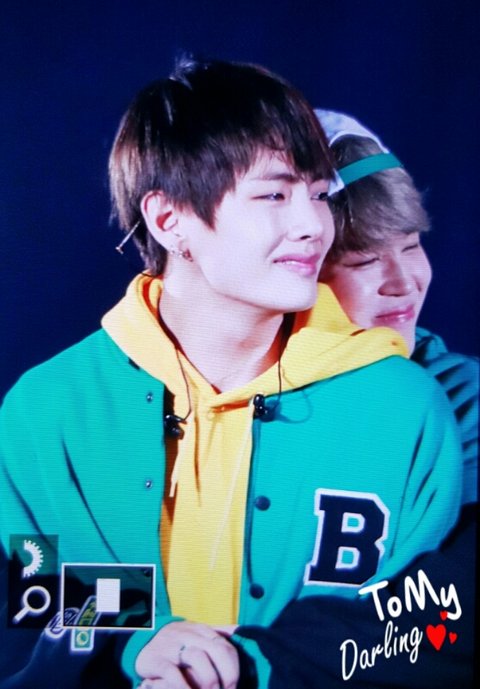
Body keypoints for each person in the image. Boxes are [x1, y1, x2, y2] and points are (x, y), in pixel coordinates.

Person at [0, 61, 463, 689]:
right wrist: (140, 638)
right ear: (169, 220)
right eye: (274, 195)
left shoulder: (404, 406)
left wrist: (257, 666)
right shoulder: (49, 411)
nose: (314, 225)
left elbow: (432, 629)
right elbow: (34, 598)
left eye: (319, 194)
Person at [237, 111, 478, 688]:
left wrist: (257, 661)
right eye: (364, 260)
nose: (403, 282)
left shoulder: (458, 397)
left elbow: (451, 606)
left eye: (411, 246)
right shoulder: (217, 391)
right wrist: (144, 644)